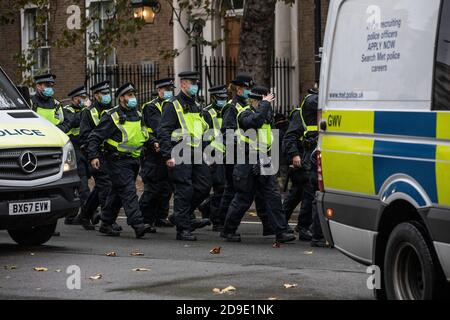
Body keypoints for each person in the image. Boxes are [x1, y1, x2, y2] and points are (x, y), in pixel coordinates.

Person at [221, 86, 296, 244]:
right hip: (247, 162)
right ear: (254, 101)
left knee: (273, 197)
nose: (266, 106)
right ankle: (228, 230)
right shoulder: (244, 114)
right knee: (243, 199)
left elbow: (270, 140)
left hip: (263, 161)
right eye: (262, 103)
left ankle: (281, 231)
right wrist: (265, 105)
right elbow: (254, 122)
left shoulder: (266, 117)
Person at [87, 82, 153, 239]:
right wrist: (94, 156)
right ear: (122, 98)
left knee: (117, 193)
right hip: (116, 161)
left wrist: (154, 143)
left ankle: (106, 222)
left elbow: (143, 135)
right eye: (130, 95)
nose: (133, 98)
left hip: (134, 160)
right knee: (129, 191)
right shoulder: (112, 116)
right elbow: (95, 137)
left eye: (134, 95)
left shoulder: (137, 115)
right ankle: (137, 224)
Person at [158, 71, 212, 241]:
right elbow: (164, 130)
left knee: (204, 186)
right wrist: (167, 155)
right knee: (184, 190)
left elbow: (201, 130)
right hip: (179, 152)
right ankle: (183, 229)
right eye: (192, 83)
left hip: (196, 152)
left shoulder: (196, 105)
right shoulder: (172, 105)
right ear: (183, 84)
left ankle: (182, 215)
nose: (195, 86)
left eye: (196, 83)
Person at [220, 74, 274, 236]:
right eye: (248, 88)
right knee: (237, 193)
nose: (250, 91)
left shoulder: (248, 105)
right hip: (239, 155)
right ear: (239, 89)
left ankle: (269, 226)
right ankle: (222, 224)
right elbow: (227, 133)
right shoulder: (233, 107)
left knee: (260, 193)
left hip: (254, 155)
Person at [282, 88, 327, 247]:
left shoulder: (314, 117)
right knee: (306, 194)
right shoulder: (301, 115)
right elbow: (289, 138)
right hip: (302, 162)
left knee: (297, 194)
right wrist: (294, 155)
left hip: (308, 161)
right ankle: (300, 226)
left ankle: (286, 225)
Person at [75, 80, 118, 231]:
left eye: (108, 93)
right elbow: (85, 137)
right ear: (96, 96)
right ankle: (108, 220)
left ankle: (85, 215)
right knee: (106, 186)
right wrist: (93, 155)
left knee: (101, 187)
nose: (107, 96)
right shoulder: (88, 112)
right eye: (104, 94)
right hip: (97, 155)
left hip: (111, 155)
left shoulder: (114, 110)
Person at [139, 77, 175, 229]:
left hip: (167, 149)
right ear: (159, 90)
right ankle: (145, 219)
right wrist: (158, 142)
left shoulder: (172, 105)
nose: (168, 92)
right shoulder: (151, 107)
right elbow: (159, 128)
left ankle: (161, 216)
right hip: (154, 151)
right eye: (166, 89)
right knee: (153, 188)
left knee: (167, 187)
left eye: (170, 89)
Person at [199, 85, 228, 231]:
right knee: (219, 187)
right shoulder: (207, 113)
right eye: (221, 98)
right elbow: (204, 136)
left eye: (225, 98)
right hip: (214, 154)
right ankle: (217, 220)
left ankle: (208, 206)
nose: (224, 100)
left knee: (225, 187)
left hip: (228, 154)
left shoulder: (228, 109)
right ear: (214, 98)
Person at [63, 86, 93, 227]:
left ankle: (72, 215)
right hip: (74, 148)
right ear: (74, 99)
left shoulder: (85, 111)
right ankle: (87, 215)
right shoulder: (68, 111)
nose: (84, 100)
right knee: (82, 184)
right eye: (82, 98)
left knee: (82, 180)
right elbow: (73, 122)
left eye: (85, 98)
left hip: (85, 148)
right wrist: (85, 110)